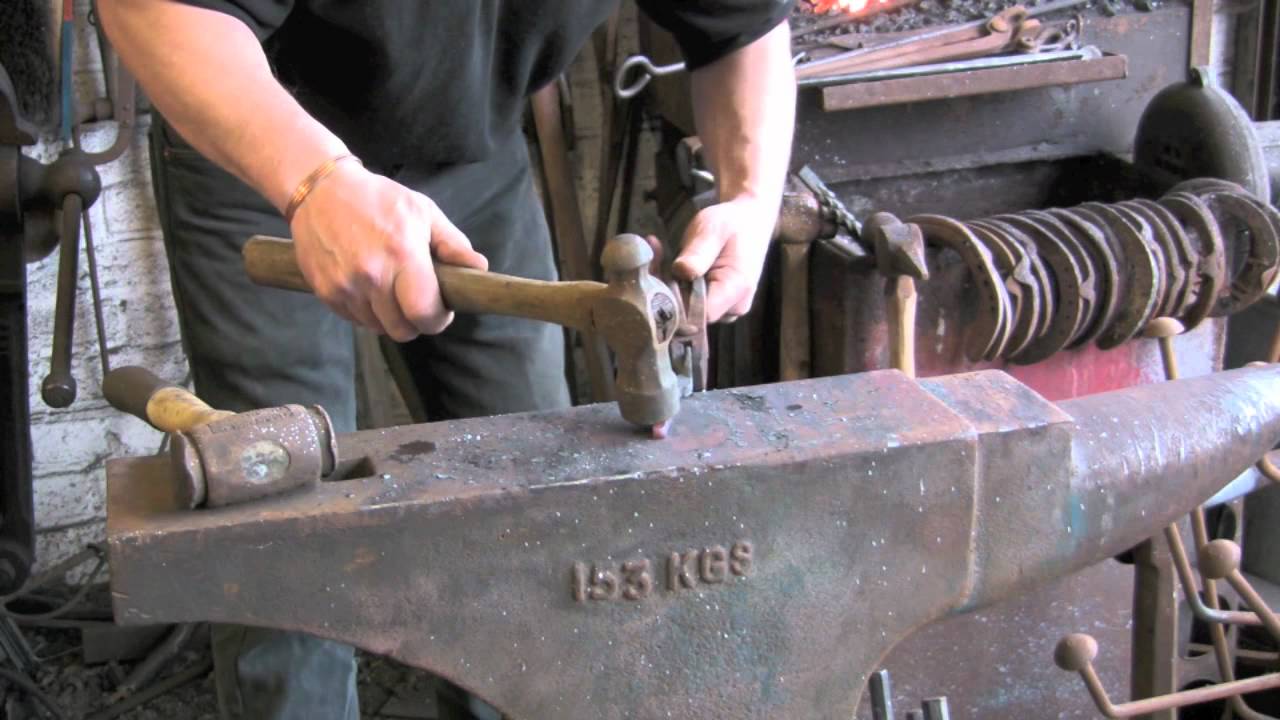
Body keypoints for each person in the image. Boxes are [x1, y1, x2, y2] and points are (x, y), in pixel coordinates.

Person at [99, 0, 797, 717]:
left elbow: (741, 25)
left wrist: (749, 197)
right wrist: (316, 181)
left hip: (473, 151)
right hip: (259, 134)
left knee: (530, 517)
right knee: (279, 530)